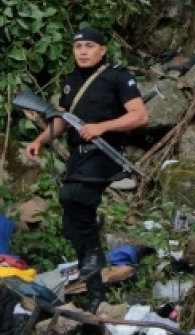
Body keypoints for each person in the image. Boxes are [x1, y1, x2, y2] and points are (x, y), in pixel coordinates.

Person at [26, 26, 148, 310]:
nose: (83, 52)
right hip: (78, 156)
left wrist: (101, 127)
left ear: (102, 50)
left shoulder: (117, 76)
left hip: (105, 153)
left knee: (73, 197)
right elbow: (62, 120)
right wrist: (40, 140)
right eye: (78, 47)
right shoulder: (70, 81)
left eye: (90, 46)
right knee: (72, 224)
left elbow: (140, 116)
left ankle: (95, 262)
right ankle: (96, 294)